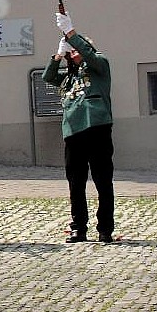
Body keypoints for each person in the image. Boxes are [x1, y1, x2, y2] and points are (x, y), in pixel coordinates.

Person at [42, 12, 115, 243]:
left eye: (77, 49)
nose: (74, 53)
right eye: (71, 51)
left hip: (97, 127)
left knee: (103, 181)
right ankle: (78, 227)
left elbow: (92, 57)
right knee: (76, 183)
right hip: (74, 132)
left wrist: (72, 33)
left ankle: (105, 227)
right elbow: (48, 76)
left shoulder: (99, 66)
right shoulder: (68, 78)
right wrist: (58, 54)